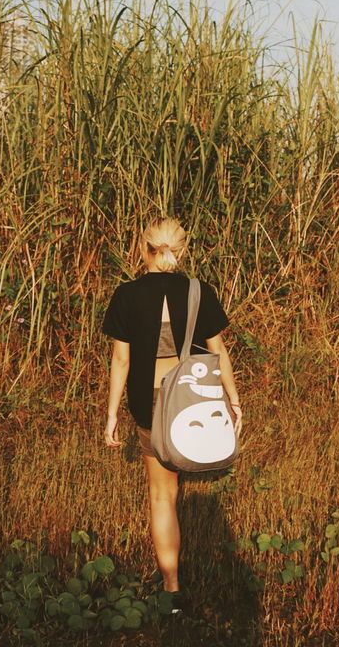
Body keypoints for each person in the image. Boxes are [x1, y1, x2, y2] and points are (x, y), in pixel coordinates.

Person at [100, 216, 243, 613]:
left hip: (151, 403)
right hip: (194, 398)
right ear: (181, 251)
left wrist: (112, 413)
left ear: (143, 248)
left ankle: (171, 589)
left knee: (162, 495)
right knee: (177, 488)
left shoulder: (126, 295)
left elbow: (121, 359)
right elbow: (218, 352)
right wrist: (232, 398)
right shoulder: (200, 290)